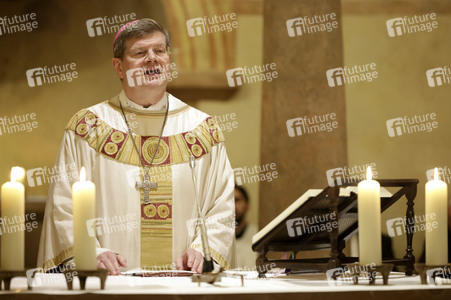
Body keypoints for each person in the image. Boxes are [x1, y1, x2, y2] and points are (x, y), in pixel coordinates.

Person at [37, 19, 235, 275]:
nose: (152, 59)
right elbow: (63, 205)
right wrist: (90, 253)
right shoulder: (87, 128)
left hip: (184, 281)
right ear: (118, 67)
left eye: (159, 51)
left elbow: (222, 205)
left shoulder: (202, 129)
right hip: (110, 281)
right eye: (140, 53)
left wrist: (202, 248)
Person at [234, 185, 258, 269]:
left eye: (237, 200)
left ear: (247, 205)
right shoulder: (215, 238)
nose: (232, 205)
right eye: (229, 201)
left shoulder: (257, 235)